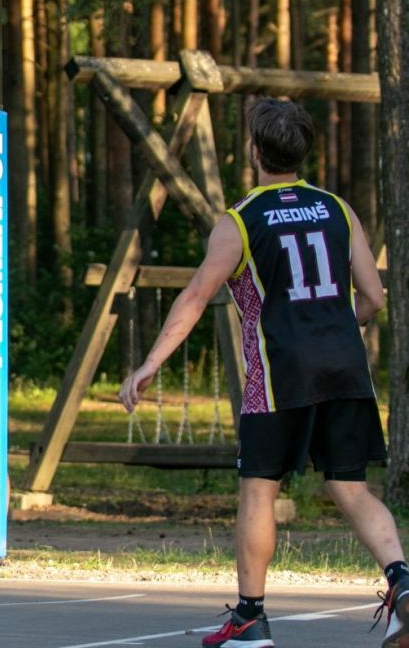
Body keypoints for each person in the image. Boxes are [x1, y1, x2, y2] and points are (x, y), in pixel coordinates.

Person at [119, 98, 403, 648]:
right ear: (303, 150)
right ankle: (404, 583)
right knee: (350, 486)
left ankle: (250, 618)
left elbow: (197, 295)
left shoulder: (242, 220)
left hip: (280, 372)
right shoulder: (338, 210)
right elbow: (372, 296)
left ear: (254, 150)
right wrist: (335, 331)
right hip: (345, 365)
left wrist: (152, 362)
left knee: (258, 490)